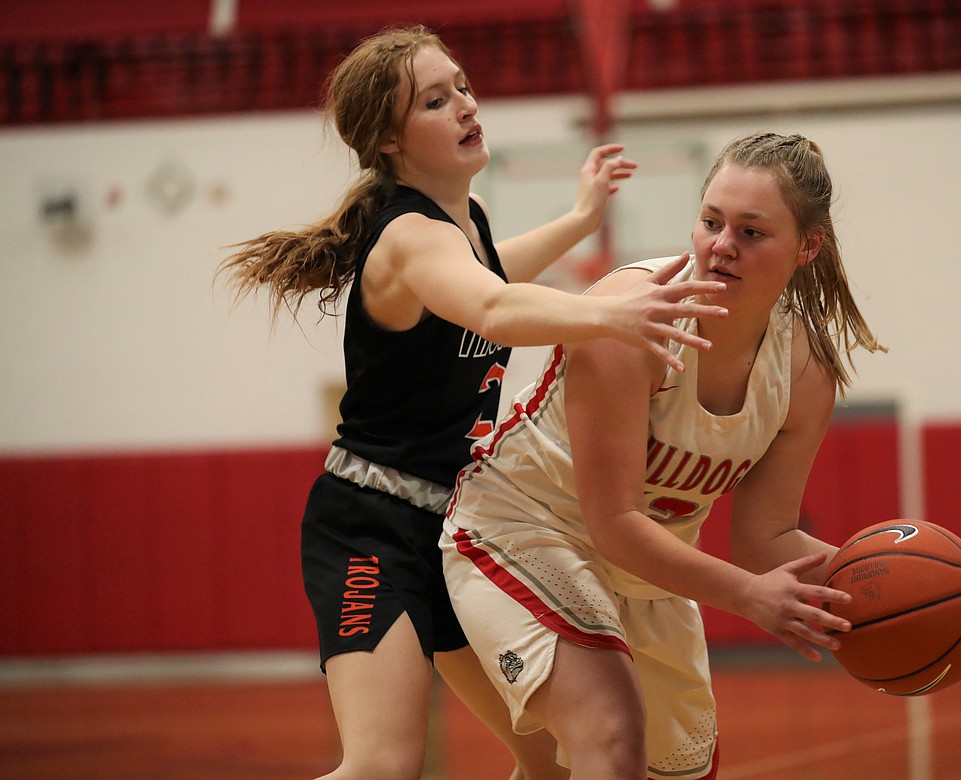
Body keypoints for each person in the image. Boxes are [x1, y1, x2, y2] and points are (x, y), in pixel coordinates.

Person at [217, 26, 728, 780]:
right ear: (389, 141)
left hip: (465, 529)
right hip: (373, 528)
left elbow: (490, 268)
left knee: (552, 761)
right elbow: (491, 306)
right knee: (383, 767)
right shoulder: (407, 237)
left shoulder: (466, 219)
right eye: (433, 99)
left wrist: (582, 220)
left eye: (459, 85)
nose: (463, 104)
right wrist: (612, 314)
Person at [441, 131, 886, 780]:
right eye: (711, 222)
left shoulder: (806, 370)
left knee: (655, 768)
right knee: (609, 735)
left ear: (807, 247)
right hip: (524, 534)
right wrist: (749, 598)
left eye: (752, 232)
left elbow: (765, 540)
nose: (721, 246)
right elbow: (613, 522)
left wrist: (869, 590)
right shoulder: (632, 319)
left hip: (649, 575)